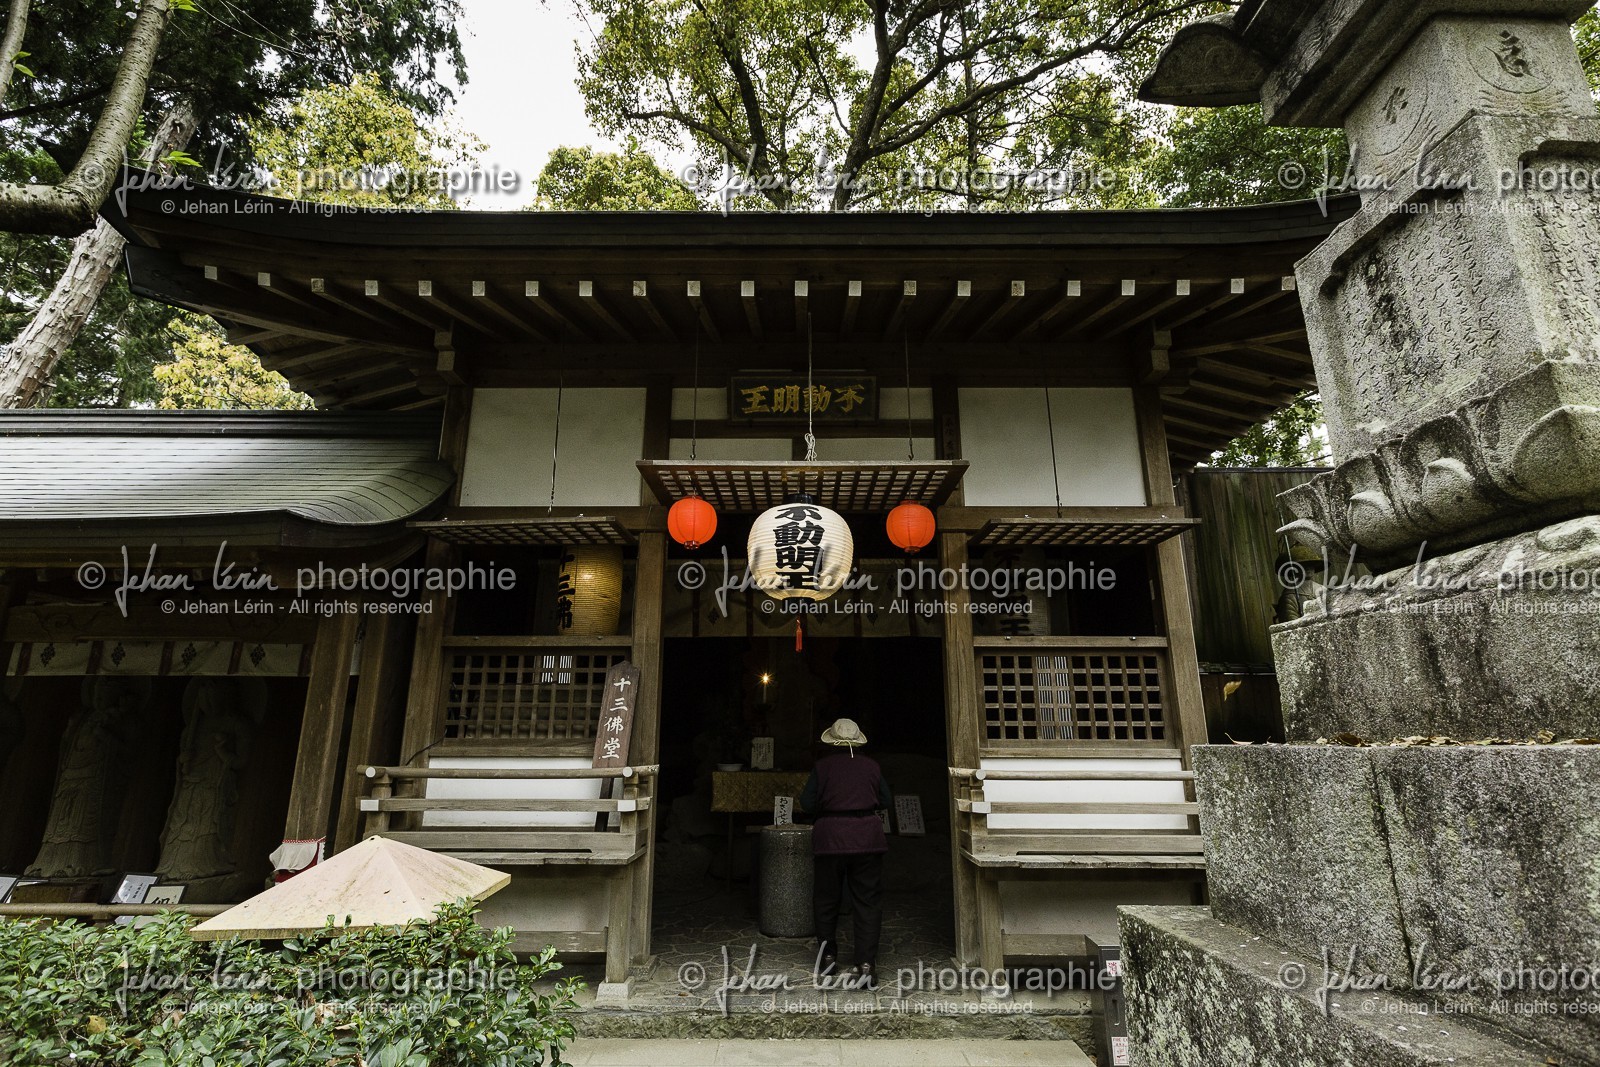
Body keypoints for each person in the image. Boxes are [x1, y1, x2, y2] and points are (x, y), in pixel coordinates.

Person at [798, 717, 891, 987]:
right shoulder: (872, 766)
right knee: (867, 901)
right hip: (867, 839)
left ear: (832, 742)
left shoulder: (822, 767)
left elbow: (807, 802)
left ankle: (827, 958)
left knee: (827, 899)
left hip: (830, 839)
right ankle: (865, 964)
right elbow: (884, 799)